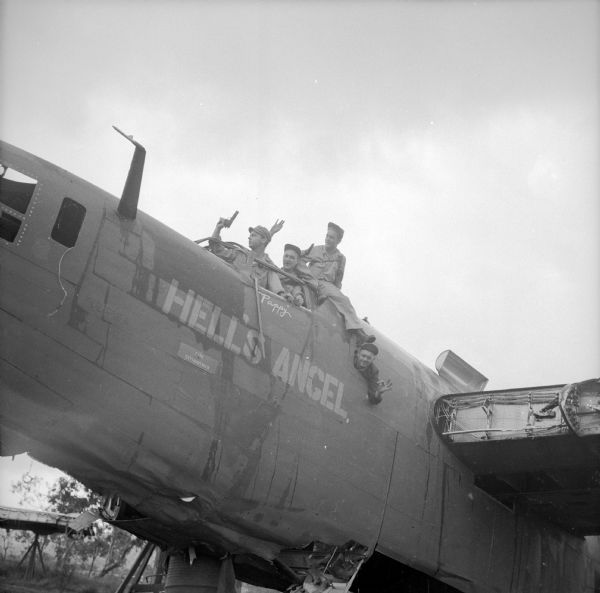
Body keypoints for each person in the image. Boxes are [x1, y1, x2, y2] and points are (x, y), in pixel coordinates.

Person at [303, 222, 373, 343]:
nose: (328, 239)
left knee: (344, 300)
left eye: (331, 237)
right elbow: (298, 257)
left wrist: (335, 293)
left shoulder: (340, 258)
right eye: (327, 236)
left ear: (338, 241)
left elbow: (338, 279)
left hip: (326, 285)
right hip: (309, 280)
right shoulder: (316, 250)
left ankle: (357, 330)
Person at [209, 217, 286, 297]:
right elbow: (217, 249)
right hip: (226, 293)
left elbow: (277, 289)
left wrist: (283, 294)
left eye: (253, 235)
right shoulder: (239, 254)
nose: (249, 237)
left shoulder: (268, 267)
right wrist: (218, 228)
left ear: (263, 240)